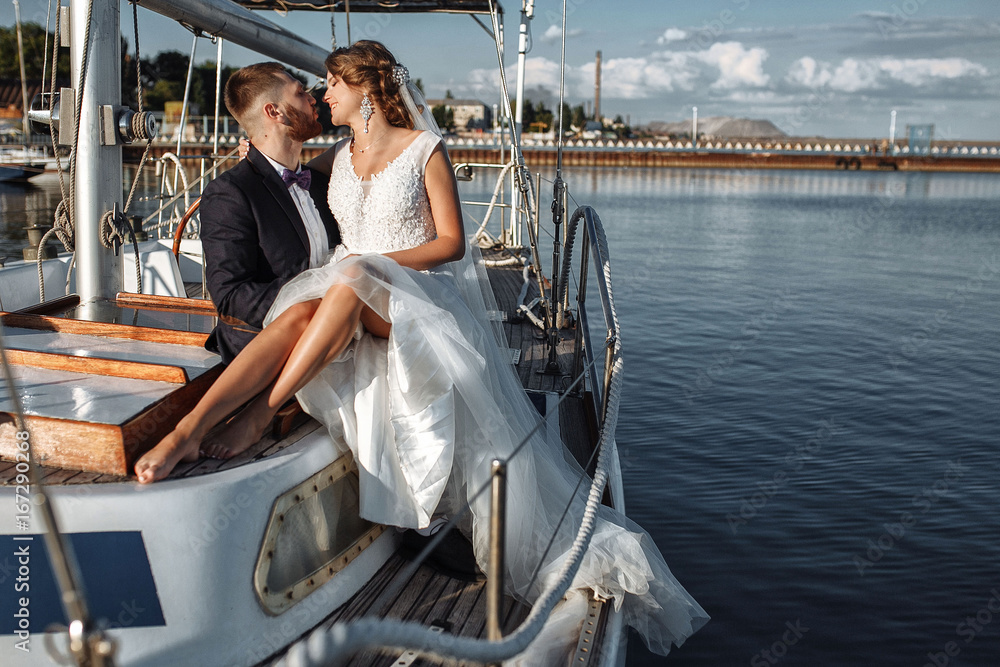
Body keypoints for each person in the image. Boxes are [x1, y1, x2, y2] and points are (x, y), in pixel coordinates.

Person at [141, 41, 708, 657]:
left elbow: (452, 244)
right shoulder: (335, 157)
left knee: (351, 279)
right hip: (353, 288)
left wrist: (375, 262)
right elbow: (276, 199)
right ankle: (196, 428)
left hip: (414, 294)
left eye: (329, 84)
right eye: (315, 89)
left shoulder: (423, 150)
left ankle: (258, 410)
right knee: (312, 302)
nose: (322, 94)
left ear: (364, 89)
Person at [133, 62, 339, 481]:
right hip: (265, 340)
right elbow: (229, 294)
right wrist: (316, 301)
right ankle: (190, 431)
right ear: (274, 113)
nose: (313, 99)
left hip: (336, 328)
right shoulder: (232, 191)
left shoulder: (321, 183)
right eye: (301, 93)